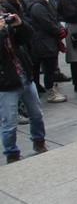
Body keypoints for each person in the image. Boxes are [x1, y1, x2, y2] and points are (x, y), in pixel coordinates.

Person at [0, 12, 48, 164]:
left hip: (25, 76)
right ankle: (12, 153)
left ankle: (39, 141)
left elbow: (28, 36)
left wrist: (19, 24)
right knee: (10, 121)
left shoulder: (8, 27)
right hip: (6, 83)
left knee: (36, 113)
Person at [26, 0, 67, 103]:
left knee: (48, 67)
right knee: (49, 68)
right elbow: (47, 23)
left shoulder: (43, 3)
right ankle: (51, 93)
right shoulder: (38, 6)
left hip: (45, 41)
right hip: (44, 42)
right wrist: (59, 31)